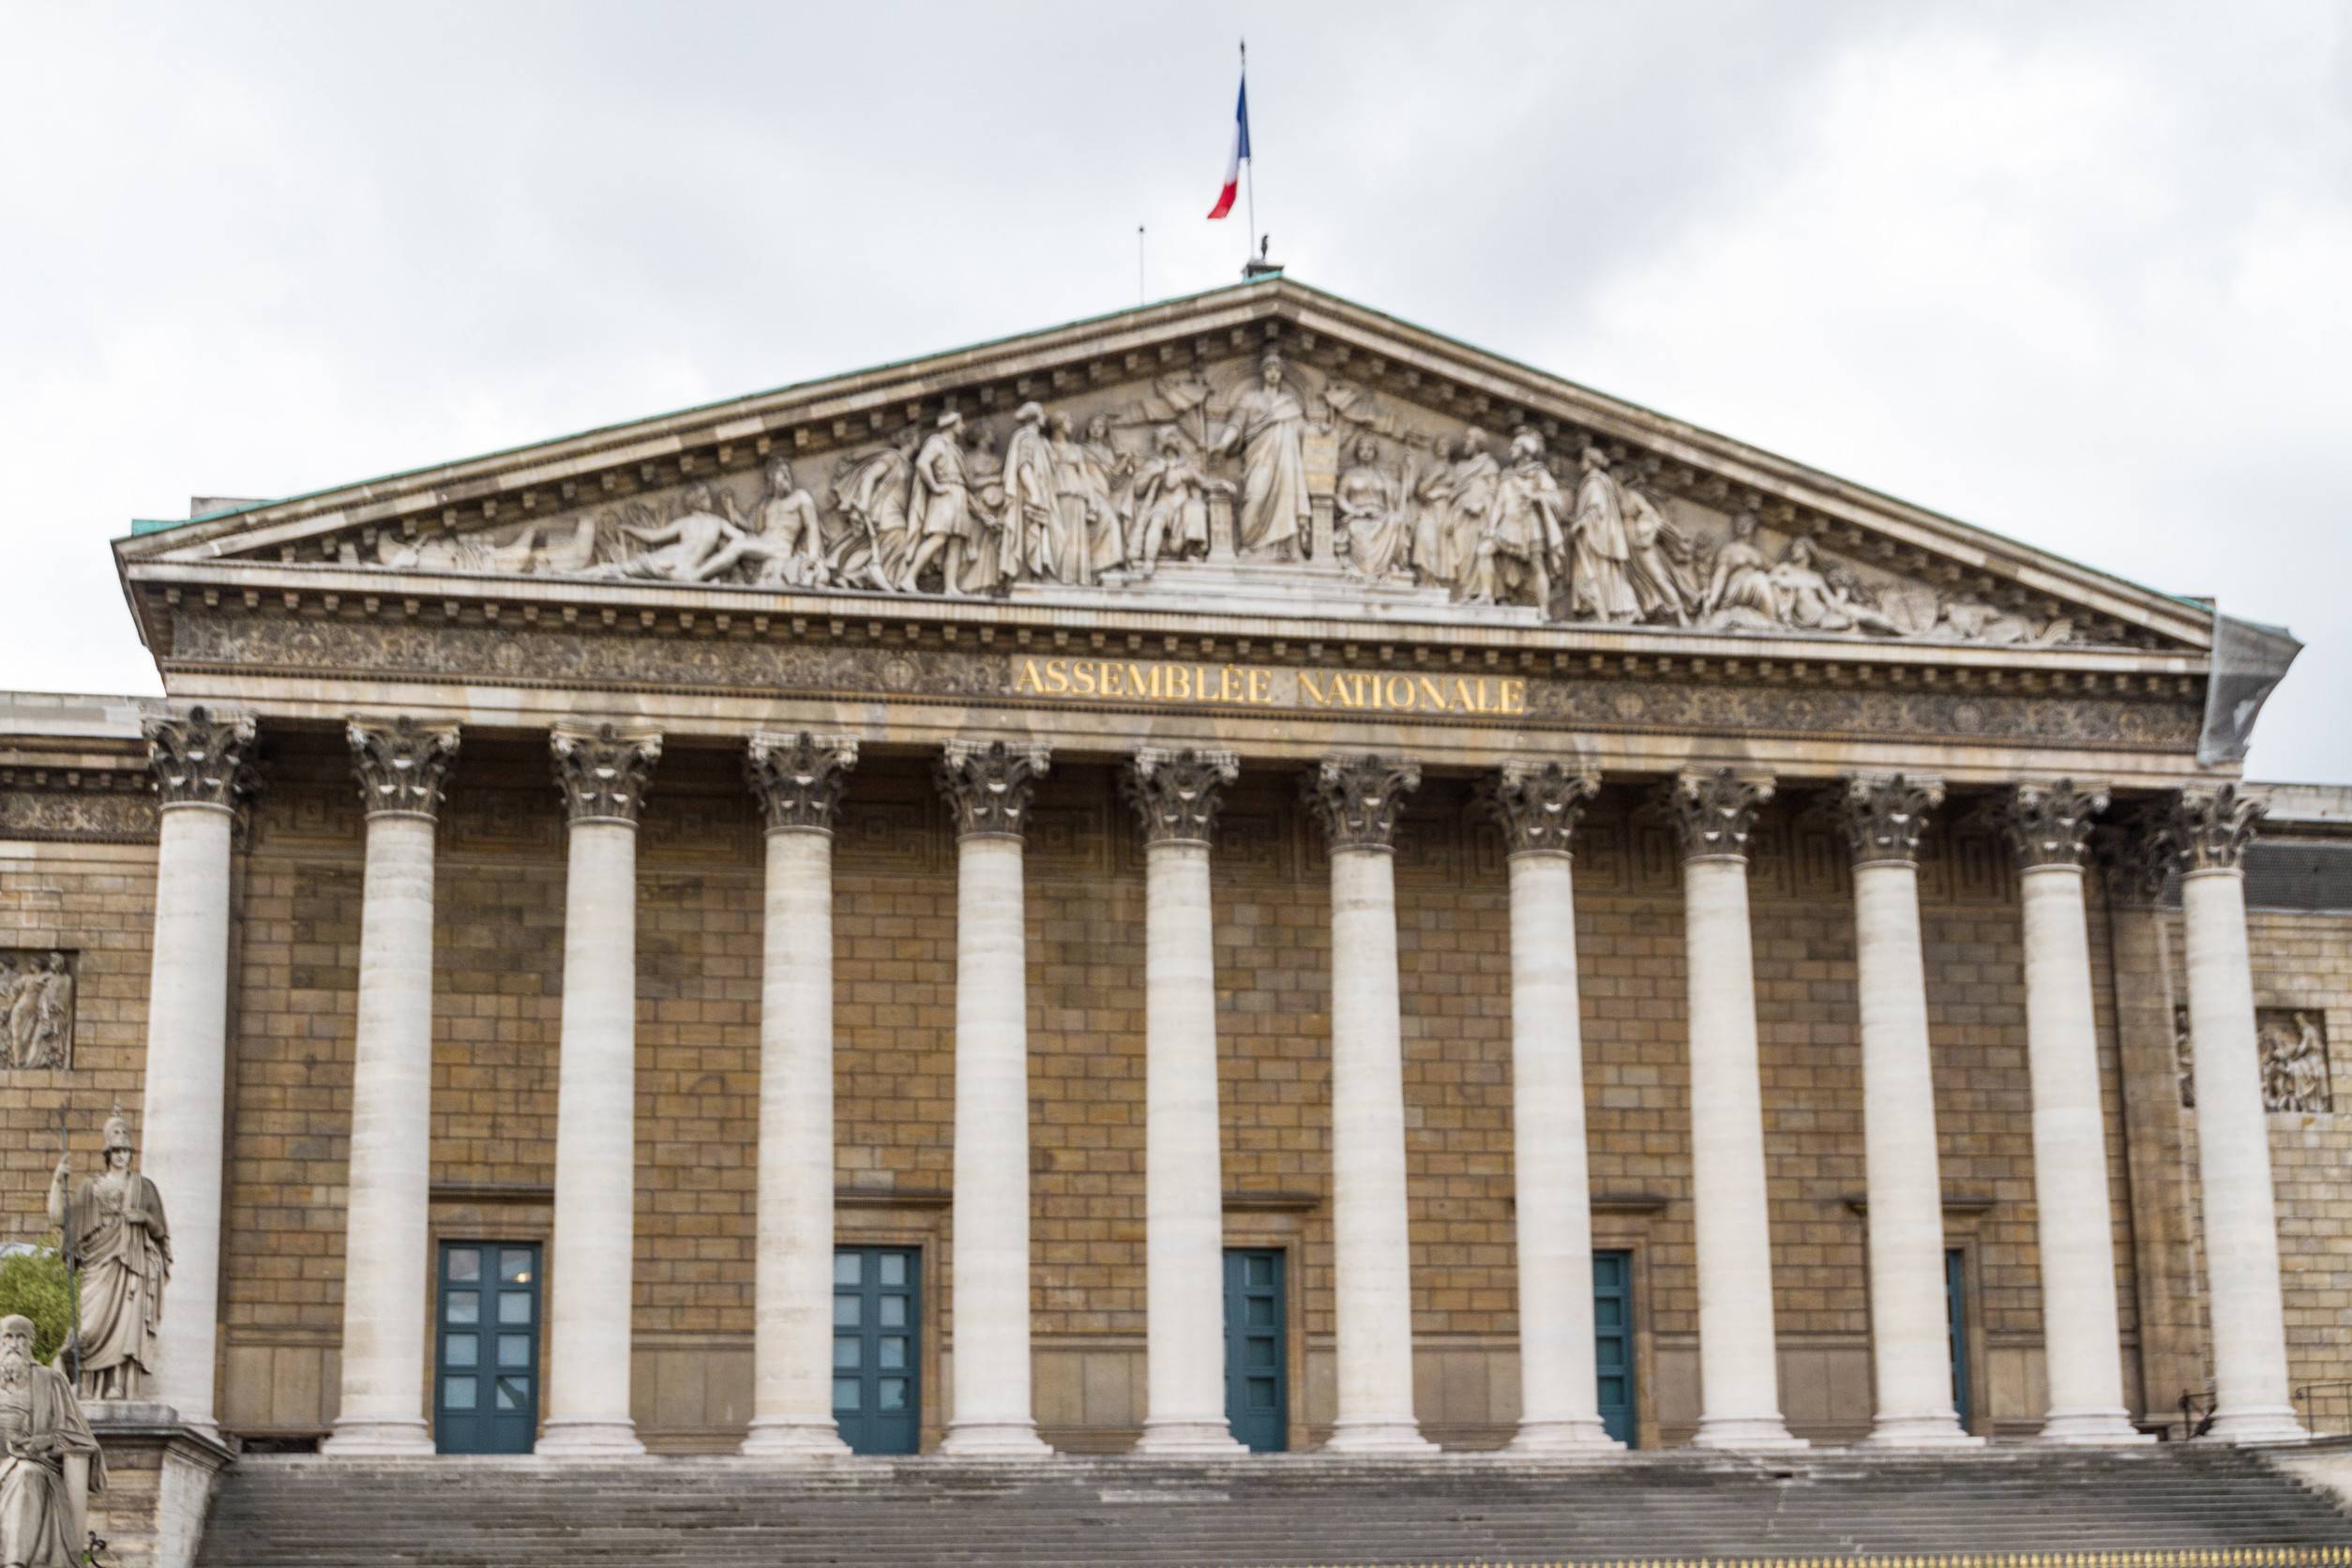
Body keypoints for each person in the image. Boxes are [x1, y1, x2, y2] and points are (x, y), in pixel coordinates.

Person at [47, 1108, 171, 1403]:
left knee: (128, 1324)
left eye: (125, 1150)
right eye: (115, 1150)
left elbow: (160, 1231)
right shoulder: (92, 1188)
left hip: (132, 1266)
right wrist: (57, 1181)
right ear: (108, 1152)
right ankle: (85, 1384)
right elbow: (58, 1218)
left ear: (131, 1153)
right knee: (89, 1329)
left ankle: (117, 1384)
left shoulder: (144, 1188)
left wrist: (143, 1217)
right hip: (98, 1265)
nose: (121, 1155)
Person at [0, 1313, 102, 1568]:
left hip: (33, 1465)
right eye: (8, 1337)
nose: (14, 1344)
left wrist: (46, 1441)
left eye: (21, 1337)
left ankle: (15, 1562)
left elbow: (81, 1437)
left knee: (27, 1474)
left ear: (31, 1341)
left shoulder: (50, 1380)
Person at [1209, 353, 1310, 558]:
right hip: (1259, 459)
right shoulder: (1250, 399)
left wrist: (1323, 431)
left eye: (1277, 369)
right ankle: (1251, 545)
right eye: (1269, 369)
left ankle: (1286, 548)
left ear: (1281, 374)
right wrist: (1222, 444)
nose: (1273, 373)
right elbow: (1236, 425)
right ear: (1263, 372)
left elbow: (1305, 433)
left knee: (1287, 500)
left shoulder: (1289, 404)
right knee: (1254, 496)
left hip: (1286, 463)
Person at [1468, 431, 1565, 607]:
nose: (1511, 449)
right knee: (1484, 550)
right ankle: (1487, 594)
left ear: (1526, 452)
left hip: (1530, 524)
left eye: (1516, 446)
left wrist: (1536, 496)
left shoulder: (1539, 474)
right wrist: (1491, 527)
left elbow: (1555, 499)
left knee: (1538, 564)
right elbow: (1499, 504)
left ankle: (1544, 610)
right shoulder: (1507, 475)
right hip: (1508, 525)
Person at [1128, 426, 1231, 572]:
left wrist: (1221, 483)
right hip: (1163, 503)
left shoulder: (1187, 464)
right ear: (1166, 441)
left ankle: (1192, 551)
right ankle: (1149, 559)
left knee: (1195, 508)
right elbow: (1138, 489)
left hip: (1183, 504)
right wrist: (1152, 473)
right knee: (1157, 521)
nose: (1178, 440)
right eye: (1174, 437)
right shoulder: (1155, 463)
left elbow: (1204, 482)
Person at [900, 413, 977, 595]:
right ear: (951, 424)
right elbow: (922, 463)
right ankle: (909, 577)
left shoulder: (954, 448)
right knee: (939, 538)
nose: (964, 426)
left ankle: (950, 586)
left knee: (956, 542)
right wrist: (935, 486)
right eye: (960, 422)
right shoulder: (937, 442)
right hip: (945, 493)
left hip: (958, 494)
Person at [1566, 447, 1640, 621]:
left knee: (1597, 574)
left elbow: (1596, 509)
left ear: (1591, 462)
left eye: (1582, 460)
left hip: (1596, 541)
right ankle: (1596, 609)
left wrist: (1580, 523)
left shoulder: (1595, 483)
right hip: (1594, 539)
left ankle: (1603, 610)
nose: (1579, 464)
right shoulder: (1593, 482)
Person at [1334, 437, 1413, 582]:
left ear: (1375, 452)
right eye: (1362, 449)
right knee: (1358, 530)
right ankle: (1367, 571)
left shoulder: (1383, 476)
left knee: (1397, 520)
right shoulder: (1350, 474)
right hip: (1358, 517)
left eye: (1369, 449)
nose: (1366, 453)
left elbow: (1405, 494)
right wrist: (1354, 511)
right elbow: (1340, 497)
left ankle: (1390, 566)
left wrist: (1408, 469)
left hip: (1381, 517)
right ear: (1357, 452)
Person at [1002, 402, 1065, 583]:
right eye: (1042, 414)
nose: (1045, 417)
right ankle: (1032, 574)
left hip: (1043, 493)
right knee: (1034, 534)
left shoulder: (1038, 440)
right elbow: (1024, 466)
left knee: (1047, 535)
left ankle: (1039, 572)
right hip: (1033, 496)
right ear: (1035, 417)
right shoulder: (1028, 439)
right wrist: (1034, 493)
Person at [1701, 511, 1780, 627]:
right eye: (1739, 522)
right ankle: (1771, 620)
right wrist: (1713, 599)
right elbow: (1721, 573)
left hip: (1754, 583)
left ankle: (1771, 620)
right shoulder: (1729, 549)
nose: (1743, 525)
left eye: (1747, 522)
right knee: (1760, 579)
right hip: (1736, 588)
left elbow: (1776, 571)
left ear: (1754, 526)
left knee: (1769, 581)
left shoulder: (1757, 553)